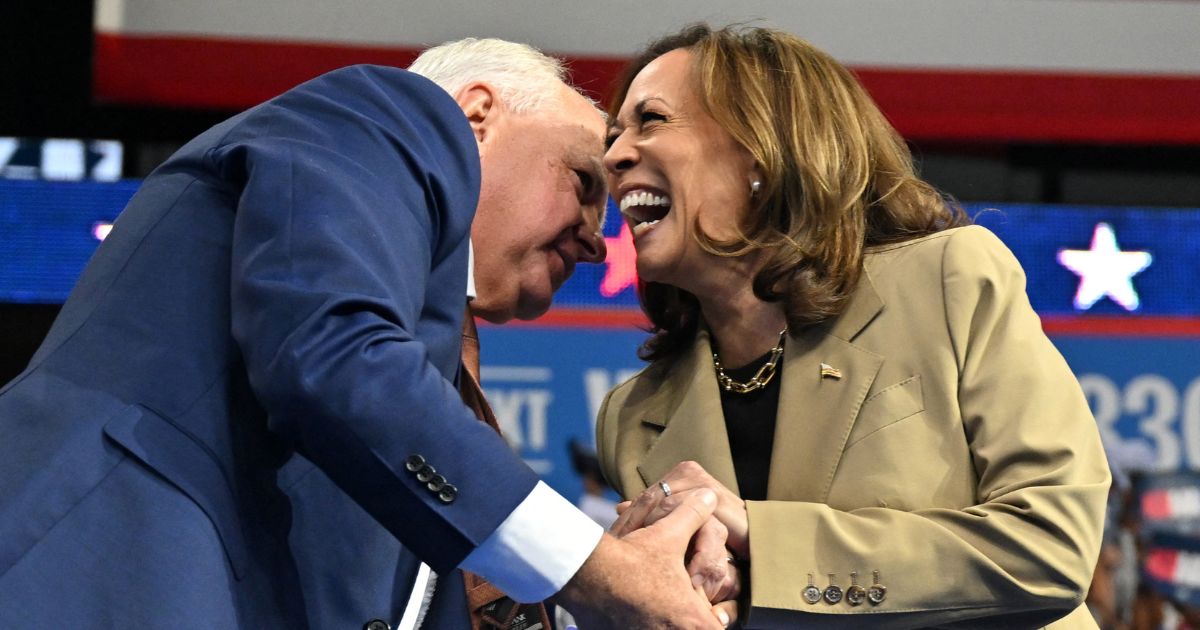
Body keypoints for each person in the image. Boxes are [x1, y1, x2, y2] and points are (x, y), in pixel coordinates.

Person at [0, 38, 725, 629]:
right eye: (584, 179)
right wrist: (595, 568)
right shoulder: (387, 114)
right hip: (94, 567)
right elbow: (331, 357)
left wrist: (597, 601)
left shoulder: (421, 385)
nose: (599, 241)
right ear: (477, 114)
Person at [596, 24, 1112, 628]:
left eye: (650, 120)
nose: (613, 155)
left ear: (761, 147)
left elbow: (1051, 545)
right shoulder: (632, 421)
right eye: (613, 135)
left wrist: (762, 541)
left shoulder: (948, 280)